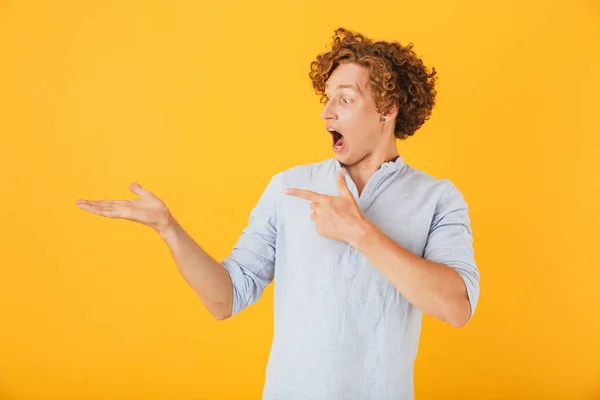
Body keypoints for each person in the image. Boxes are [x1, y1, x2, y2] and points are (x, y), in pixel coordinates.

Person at [76, 27, 480, 400]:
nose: (327, 113)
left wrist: (361, 234)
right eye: (327, 99)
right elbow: (225, 298)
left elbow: (457, 307)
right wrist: (168, 227)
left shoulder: (437, 199)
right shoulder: (288, 189)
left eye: (345, 98)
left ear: (387, 108)